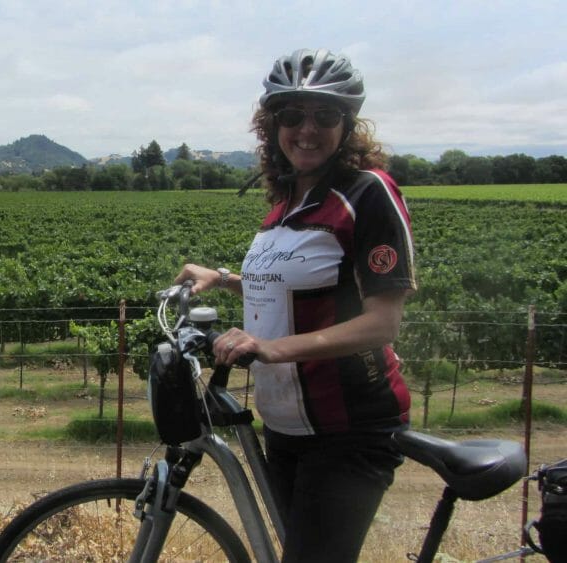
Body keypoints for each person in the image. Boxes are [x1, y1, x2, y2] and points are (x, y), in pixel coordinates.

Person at [175, 48, 416, 562]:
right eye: (292, 115)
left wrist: (271, 347)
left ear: (347, 125)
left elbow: (382, 322)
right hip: (285, 428)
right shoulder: (286, 205)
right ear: (272, 126)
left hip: (349, 431)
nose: (307, 129)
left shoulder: (367, 192)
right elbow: (287, 289)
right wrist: (221, 279)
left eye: (325, 115)